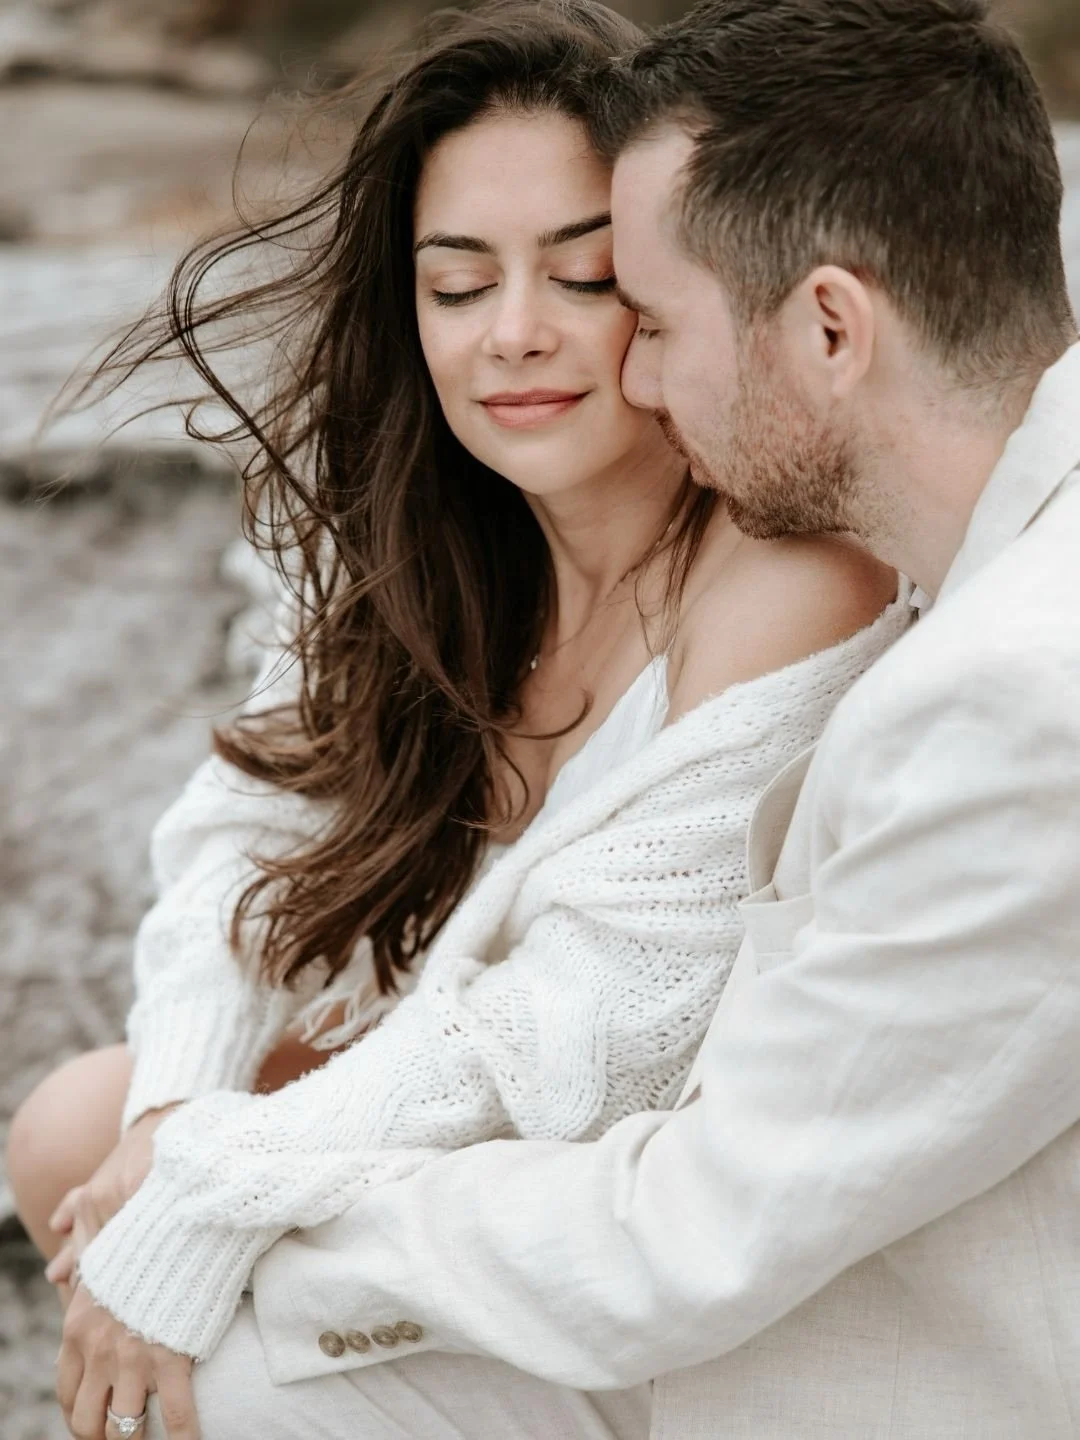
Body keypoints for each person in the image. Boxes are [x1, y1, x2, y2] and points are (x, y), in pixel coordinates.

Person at [73, 0, 1079, 1436]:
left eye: (637, 307)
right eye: (458, 283)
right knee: (110, 1153)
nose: (638, 379)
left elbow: (685, 1224)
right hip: (677, 1250)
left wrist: (226, 1212)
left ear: (831, 326)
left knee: (232, 1343)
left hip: (834, 1356)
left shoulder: (1014, 694)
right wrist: (193, 1155)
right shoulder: (1001, 572)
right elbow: (252, 820)